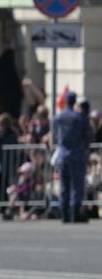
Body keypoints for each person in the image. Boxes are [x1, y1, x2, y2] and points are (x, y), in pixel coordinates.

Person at [51, 91, 89, 223]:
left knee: (64, 184)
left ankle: (64, 214)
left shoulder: (59, 117)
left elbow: (55, 135)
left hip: (62, 153)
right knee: (76, 184)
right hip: (76, 153)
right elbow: (87, 136)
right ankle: (75, 213)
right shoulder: (79, 117)